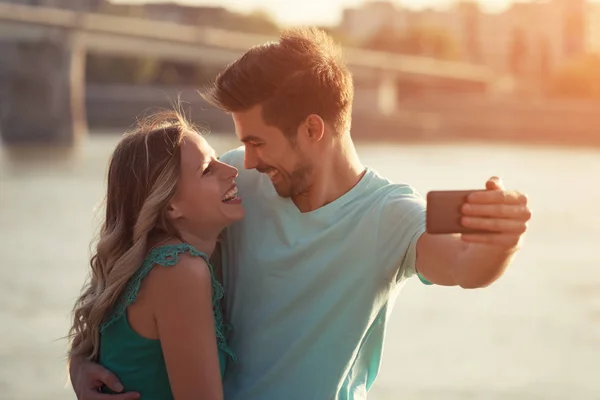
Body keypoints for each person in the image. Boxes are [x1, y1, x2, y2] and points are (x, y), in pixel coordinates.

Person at [68, 28, 532, 400]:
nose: (246, 160)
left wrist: (502, 241)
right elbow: (132, 260)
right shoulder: (233, 181)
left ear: (312, 129)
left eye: (257, 141)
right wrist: (84, 360)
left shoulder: (389, 215)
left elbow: (465, 266)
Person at [67, 110, 244, 400]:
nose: (231, 171)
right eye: (207, 170)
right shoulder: (179, 270)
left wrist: (77, 364)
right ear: (172, 205)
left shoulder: (154, 264)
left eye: (218, 159)